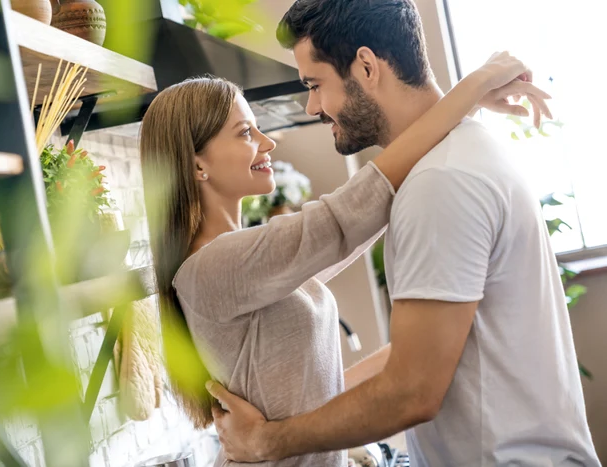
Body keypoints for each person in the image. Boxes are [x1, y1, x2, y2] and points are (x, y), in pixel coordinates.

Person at [205, 1, 601, 466]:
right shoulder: (463, 150)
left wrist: (267, 441)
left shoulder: (440, 183)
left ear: (367, 67)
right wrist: (311, 401)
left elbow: (412, 391)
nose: (312, 106)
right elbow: (435, 343)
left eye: (315, 85)